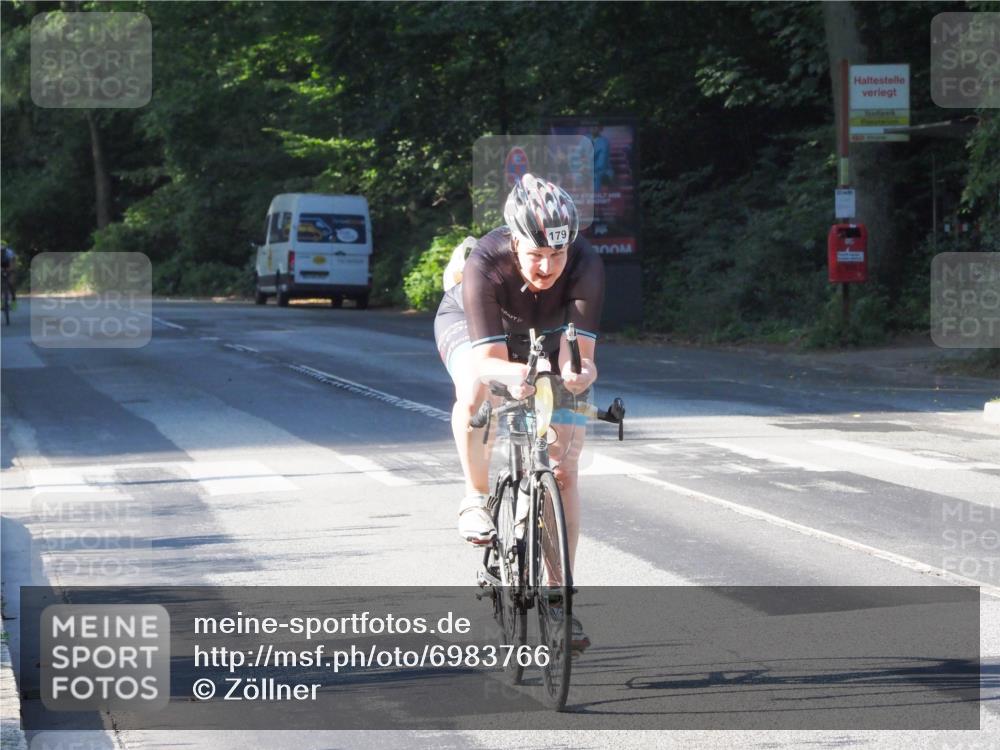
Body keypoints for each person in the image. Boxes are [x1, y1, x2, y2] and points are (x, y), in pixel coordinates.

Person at [434, 174, 604, 650]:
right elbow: (489, 363)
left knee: (565, 468)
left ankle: (558, 598)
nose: (547, 266)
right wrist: (517, 379)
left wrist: (576, 376)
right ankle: (475, 496)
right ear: (514, 240)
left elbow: (582, 356)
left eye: (557, 254)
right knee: (476, 386)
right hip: (477, 331)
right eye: (535, 254)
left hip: (545, 331)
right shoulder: (486, 260)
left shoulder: (586, 261)